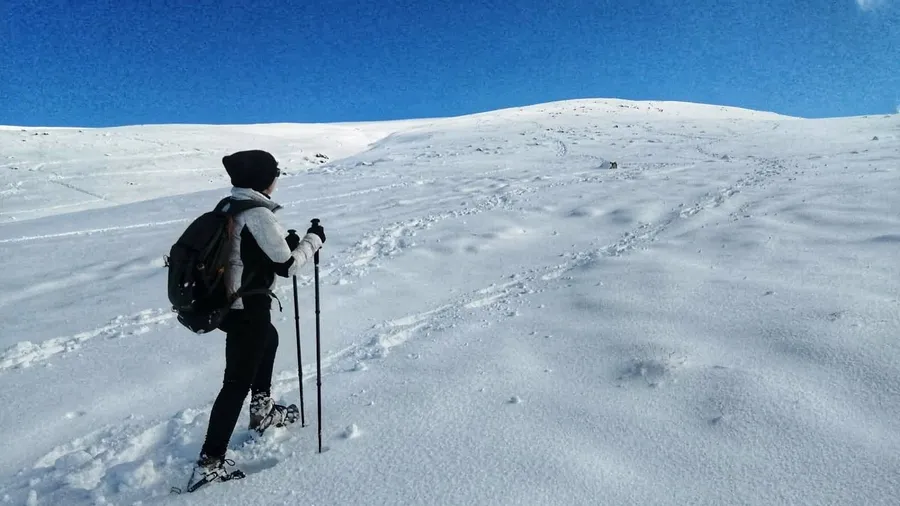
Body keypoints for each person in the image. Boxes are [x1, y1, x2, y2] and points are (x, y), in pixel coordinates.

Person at [187, 149, 325, 492]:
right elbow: (287, 266)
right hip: (248, 308)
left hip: (230, 306)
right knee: (235, 383)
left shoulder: (229, 206)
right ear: (266, 179)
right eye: (275, 173)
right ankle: (209, 464)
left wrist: (285, 242)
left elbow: (246, 252)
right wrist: (313, 241)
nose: (277, 178)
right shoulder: (258, 213)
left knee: (270, 340)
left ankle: (262, 409)